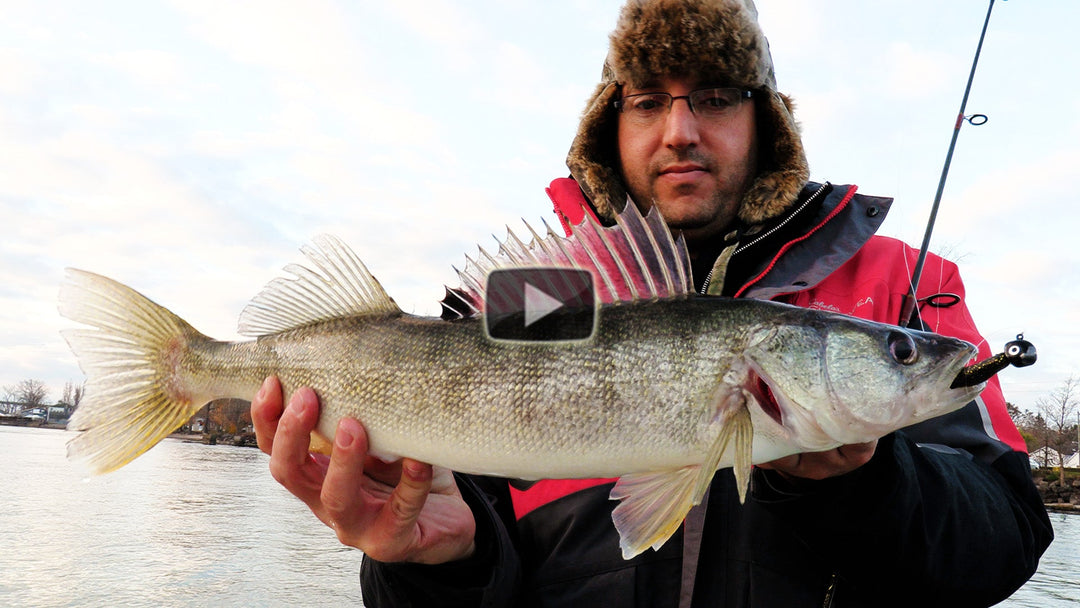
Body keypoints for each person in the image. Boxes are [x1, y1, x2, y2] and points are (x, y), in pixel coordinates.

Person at [251, 1, 1053, 605]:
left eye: (713, 95)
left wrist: (859, 483)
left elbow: (1005, 545)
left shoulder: (898, 282)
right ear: (613, 125)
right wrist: (430, 564)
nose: (679, 130)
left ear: (764, 122)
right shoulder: (542, 296)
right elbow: (458, 558)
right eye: (646, 99)